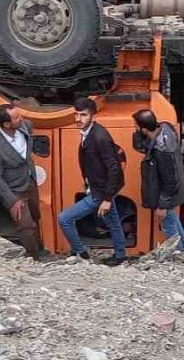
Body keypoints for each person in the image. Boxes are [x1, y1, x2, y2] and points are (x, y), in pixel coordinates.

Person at [57, 97, 128, 265]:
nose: (78, 119)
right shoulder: (90, 133)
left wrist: (107, 199)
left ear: (92, 116)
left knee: (64, 219)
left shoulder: (99, 137)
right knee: (114, 223)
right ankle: (120, 255)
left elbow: (113, 168)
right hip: (100, 188)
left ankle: (81, 252)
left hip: (101, 191)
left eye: (83, 115)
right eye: (76, 114)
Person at [0, 104, 45, 259]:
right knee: (26, 225)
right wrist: (12, 201)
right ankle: (34, 257)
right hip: (15, 191)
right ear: (6, 124)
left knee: (35, 217)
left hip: (30, 183)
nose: (22, 119)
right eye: (17, 117)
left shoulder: (26, 127)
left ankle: (41, 248)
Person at [132, 109, 184, 251]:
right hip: (176, 191)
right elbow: (141, 147)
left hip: (168, 193)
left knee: (168, 224)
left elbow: (170, 180)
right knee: (173, 219)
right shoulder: (166, 130)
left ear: (144, 129)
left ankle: (180, 254)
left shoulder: (162, 151)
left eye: (137, 127)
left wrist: (162, 205)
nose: (135, 129)